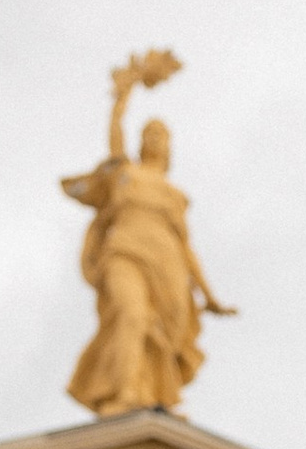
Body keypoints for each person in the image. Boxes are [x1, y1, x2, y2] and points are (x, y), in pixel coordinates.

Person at [59, 73, 235, 416]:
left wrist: (209, 296)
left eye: (161, 134)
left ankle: (153, 397)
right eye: (148, 133)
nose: (154, 137)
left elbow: (185, 247)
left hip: (167, 264)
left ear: (170, 145)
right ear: (140, 142)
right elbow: (115, 137)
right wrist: (122, 98)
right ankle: (123, 395)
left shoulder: (174, 195)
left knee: (163, 337)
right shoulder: (125, 173)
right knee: (132, 315)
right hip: (125, 253)